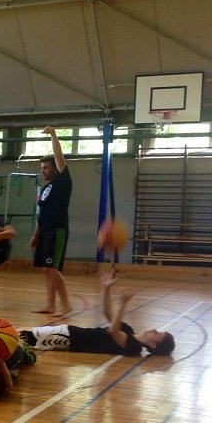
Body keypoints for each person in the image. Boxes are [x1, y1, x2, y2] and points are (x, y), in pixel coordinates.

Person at [19, 271, 175, 357]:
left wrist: (123, 303)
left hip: (69, 339)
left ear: (152, 345)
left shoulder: (133, 348)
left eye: (157, 335)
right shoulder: (129, 331)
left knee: (22, 335)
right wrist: (106, 289)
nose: (154, 330)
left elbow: (112, 331)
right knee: (23, 333)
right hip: (71, 333)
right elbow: (108, 313)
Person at [30, 126, 73, 317]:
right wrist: (36, 234)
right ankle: (50, 305)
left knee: (52, 268)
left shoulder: (63, 182)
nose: (43, 171)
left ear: (56, 168)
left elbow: (59, 157)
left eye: (46, 167)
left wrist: (54, 135)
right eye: (41, 168)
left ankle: (66, 305)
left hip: (57, 230)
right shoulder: (47, 188)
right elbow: (42, 213)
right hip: (46, 230)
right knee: (47, 269)